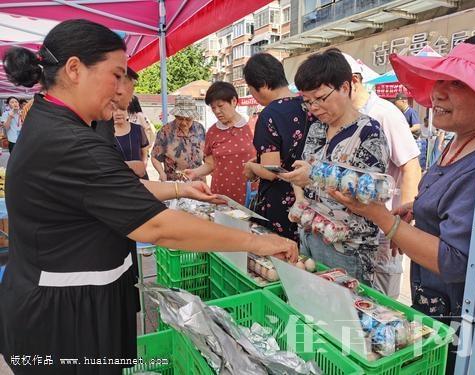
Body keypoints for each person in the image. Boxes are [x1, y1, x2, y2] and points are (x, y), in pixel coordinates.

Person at [0, 19, 297, 375]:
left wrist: (180, 189)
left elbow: (111, 191)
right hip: (65, 318)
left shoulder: (57, 123)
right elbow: (158, 226)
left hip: (66, 300)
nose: (122, 88)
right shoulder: (70, 141)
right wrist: (256, 243)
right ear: (75, 69)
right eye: (116, 74)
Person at [330, 31, 475, 374]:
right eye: (439, 79)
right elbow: (444, 204)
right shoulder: (457, 143)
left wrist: (380, 217)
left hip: (463, 320)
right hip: (438, 307)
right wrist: (416, 209)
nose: (437, 91)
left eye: (458, 82)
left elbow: (456, 261)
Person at [280, 49, 390, 286]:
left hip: (347, 249)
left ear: (345, 87)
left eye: (321, 98)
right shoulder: (317, 128)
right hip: (310, 232)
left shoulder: (368, 133)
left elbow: (369, 198)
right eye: (308, 101)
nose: (314, 107)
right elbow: (305, 170)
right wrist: (300, 196)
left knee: (343, 315)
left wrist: (314, 177)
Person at [344, 52, 421, 298]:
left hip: (382, 228)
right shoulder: (344, 118)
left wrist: (401, 225)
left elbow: (411, 166)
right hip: (354, 231)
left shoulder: (384, 114)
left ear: (353, 82)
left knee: (383, 302)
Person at [242, 53, 309, 241]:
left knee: (281, 257)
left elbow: (271, 171)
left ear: (262, 85)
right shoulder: (309, 105)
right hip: (311, 201)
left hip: (281, 203)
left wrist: (251, 168)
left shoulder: (270, 114)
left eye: (251, 90)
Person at [184, 82, 255, 204]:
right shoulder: (212, 132)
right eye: (213, 108)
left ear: (233, 101)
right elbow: (210, 164)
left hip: (248, 192)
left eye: (220, 106)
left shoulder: (252, 127)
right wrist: (194, 172)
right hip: (220, 192)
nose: (217, 111)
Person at [151, 95, 205, 182]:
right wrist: (161, 173)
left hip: (198, 181)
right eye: (180, 118)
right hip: (174, 184)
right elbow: (154, 157)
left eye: (188, 119)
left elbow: (207, 156)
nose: (184, 123)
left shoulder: (200, 129)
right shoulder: (166, 131)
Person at [113, 108, 149, 179]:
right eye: (115, 110)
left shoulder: (138, 129)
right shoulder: (105, 133)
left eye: (122, 109)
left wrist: (143, 166)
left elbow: (145, 153)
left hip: (140, 177)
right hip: (118, 179)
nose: (119, 113)